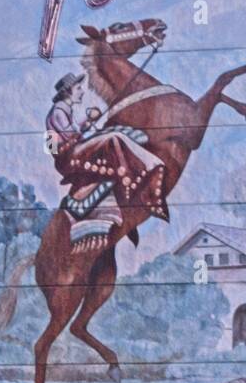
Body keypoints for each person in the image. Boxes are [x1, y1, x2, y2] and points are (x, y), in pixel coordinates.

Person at [45, 72, 168, 252]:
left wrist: (87, 122)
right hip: (69, 156)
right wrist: (88, 120)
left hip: (71, 151)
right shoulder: (58, 112)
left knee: (111, 134)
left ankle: (141, 168)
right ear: (68, 92)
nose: (81, 91)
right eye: (78, 88)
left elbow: (69, 135)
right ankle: (134, 175)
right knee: (113, 136)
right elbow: (60, 142)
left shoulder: (62, 111)